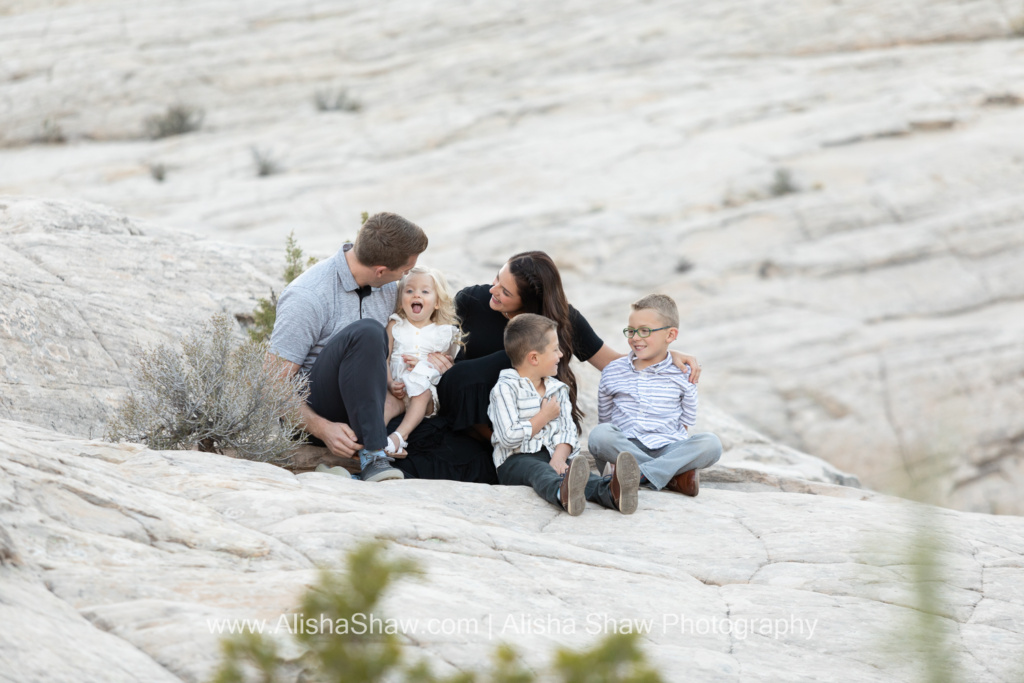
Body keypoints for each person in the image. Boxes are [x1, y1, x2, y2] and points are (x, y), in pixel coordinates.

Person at [393, 250, 702, 483]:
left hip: (527, 423)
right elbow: (426, 330)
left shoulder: (564, 321)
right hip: (468, 418)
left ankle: (628, 480)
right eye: (496, 279)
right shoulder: (473, 300)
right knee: (434, 426)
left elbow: (612, 364)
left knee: (523, 357)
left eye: (505, 291)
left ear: (529, 301)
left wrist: (664, 354)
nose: (493, 291)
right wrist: (431, 360)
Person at [267, 212, 438, 483]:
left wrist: (438, 362)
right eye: (404, 271)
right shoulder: (307, 297)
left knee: (444, 447)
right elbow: (270, 384)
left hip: (375, 405)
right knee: (368, 332)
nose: (405, 278)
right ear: (381, 270)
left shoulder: (389, 288)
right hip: (319, 411)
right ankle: (372, 456)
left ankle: (359, 466)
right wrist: (322, 429)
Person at [488, 314, 641, 515]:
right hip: (515, 461)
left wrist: (559, 459)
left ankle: (614, 493)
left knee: (580, 474)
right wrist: (544, 416)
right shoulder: (505, 389)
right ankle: (563, 494)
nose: (561, 355)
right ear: (534, 358)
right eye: (555, 349)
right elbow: (508, 437)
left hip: (552, 455)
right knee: (539, 471)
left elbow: (567, 430)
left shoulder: (557, 389)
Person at [587, 294, 722, 496]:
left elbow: (685, 422)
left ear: (670, 335)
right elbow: (605, 419)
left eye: (644, 331)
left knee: (711, 444)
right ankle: (671, 476)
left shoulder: (684, 374)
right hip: (625, 446)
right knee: (600, 436)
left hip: (667, 446)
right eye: (631, 331)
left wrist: (674, 453)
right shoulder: (613, 371)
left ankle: (639, 474)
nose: (635, 338)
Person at [383, 266, 464, 456]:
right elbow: (384, 359)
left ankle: (399, 437)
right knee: (385, 405)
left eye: (425, 291)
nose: (415, 295)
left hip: (424, 396)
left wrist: (429, 366)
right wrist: (389, 383)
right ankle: (376, 441)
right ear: (401, 299)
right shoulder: (395, 325)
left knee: (422, 392)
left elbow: (445, 368)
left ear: (437, 302)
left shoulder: (444, 332)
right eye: (409, 290)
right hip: (397, 389)